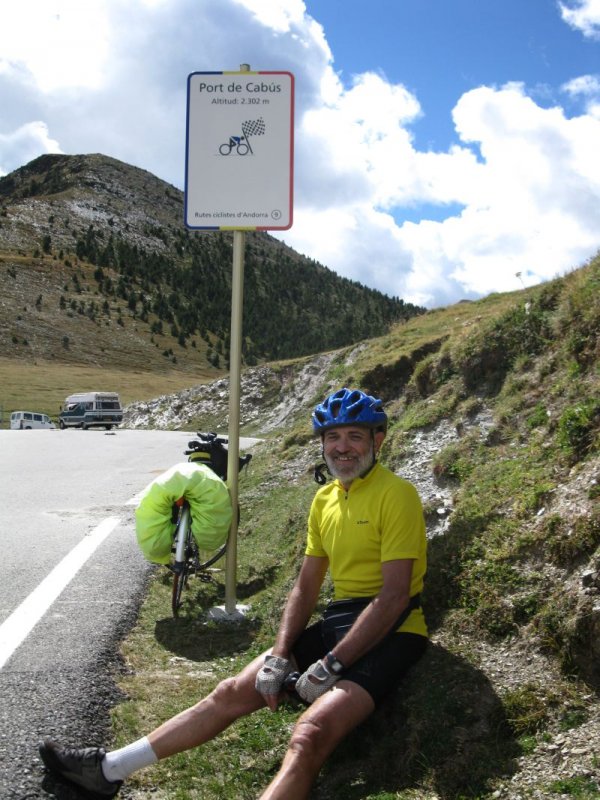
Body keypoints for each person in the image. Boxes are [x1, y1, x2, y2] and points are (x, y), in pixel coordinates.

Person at [39, 387, 428, 800]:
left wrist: (332, 664)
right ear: (322, 444)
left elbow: (393, 597)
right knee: (230, 691)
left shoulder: (396, 494)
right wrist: (280, 655)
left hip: (393, 632)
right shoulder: (325, 499)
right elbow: (306, 585)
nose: (342, 447)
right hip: (339, 623)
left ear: (377, 440)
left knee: (308, 735)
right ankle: (107, 770)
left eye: (354, 436)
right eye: (333, 437)